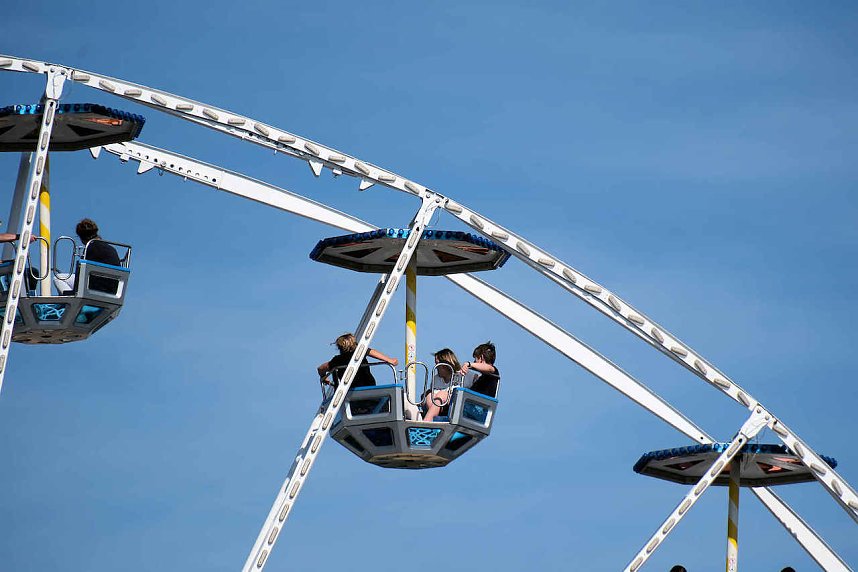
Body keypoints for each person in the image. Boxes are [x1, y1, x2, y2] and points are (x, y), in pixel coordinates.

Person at [54, 218, 121, 294]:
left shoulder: (90, 249)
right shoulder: (111, 249)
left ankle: (68, 301)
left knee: (58, 278)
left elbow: (82, 275)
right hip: (113, 290)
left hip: (94, 289)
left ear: (81, 238)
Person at [317, 333, 398, 389]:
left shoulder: (336, 360)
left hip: (348, 396)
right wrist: (390, 360)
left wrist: (323, 377)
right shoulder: (359, 353)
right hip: (368, 391)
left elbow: (320, 368)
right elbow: (372, 352)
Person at [421, 348, 461, 422]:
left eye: (438, 364)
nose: (436, 368)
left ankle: (427, 420)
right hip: (438, 406)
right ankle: (432, 418)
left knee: (442, 394)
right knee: (429, 395)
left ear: (445, 365)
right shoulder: (436, 379)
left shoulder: (462, 375)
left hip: (454, 407)